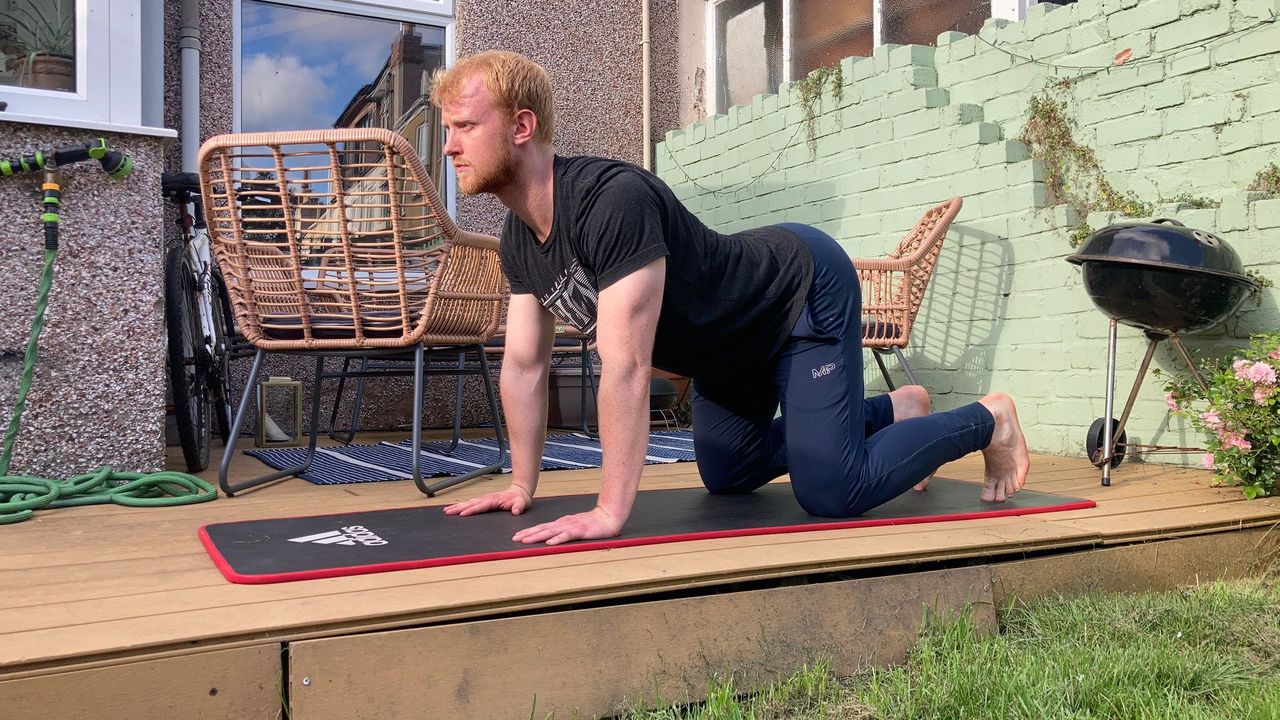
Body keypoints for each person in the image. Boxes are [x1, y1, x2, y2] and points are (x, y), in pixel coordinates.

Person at [434, 51, 1030, 546]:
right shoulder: (519, 239)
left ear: (521, 126)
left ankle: (989, 420)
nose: (449, 148)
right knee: (728, 474)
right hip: (727, 349)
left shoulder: (611, 202)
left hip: (797, 293)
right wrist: (521, 485)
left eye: (464, 127)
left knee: (830, 492)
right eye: (447, 131)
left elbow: (626, 367)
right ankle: (893, 410)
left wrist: (610, 512)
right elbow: (523, 364)